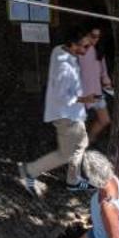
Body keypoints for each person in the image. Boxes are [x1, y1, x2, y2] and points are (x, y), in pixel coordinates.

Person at [19, 23, 103, 197]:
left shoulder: (60, 50)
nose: (88, 49)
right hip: (66, 116)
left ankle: (73, 180)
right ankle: (29, 171)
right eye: (85, 46)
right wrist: (86, 99)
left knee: (81, 144)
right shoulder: (64, 67)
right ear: (73, 45)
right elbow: (64, 97)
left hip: (74, 114)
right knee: (65, 154)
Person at [80, 32, 114, 143]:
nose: (96, 39)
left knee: (104, 120)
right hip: (81, 92)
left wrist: (106, 80)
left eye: (98, 36)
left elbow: (103, 71)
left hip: (96, 91)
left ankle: (88, 140)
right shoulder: (80, 50)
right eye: (93, 36)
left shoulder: (98, 50)